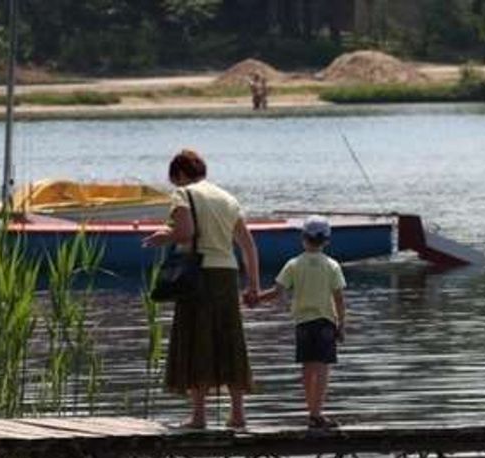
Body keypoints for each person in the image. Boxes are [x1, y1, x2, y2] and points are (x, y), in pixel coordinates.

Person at [142, 149, 261, 430]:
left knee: (196, 337)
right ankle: (238, 415)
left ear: (180, 174)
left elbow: (185, 232)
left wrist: (163, 236)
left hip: (199, 274)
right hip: (227, 274)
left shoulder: (184, 194)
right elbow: (248, 245)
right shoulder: (228, 198)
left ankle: (198, 416)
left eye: (175, 179)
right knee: (230, 338)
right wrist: (253, 286)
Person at [254, 215, 346, 429]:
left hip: (303, 324)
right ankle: (317, 413)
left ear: (303, 239)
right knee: (322, 369)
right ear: (327, 241)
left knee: (307, 368)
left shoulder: (293, 264)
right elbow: (339, 299)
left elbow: (277, 292)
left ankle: (310, 412)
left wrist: (256, 298)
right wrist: (342, 325)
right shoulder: (332, 266)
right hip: (325, 323)